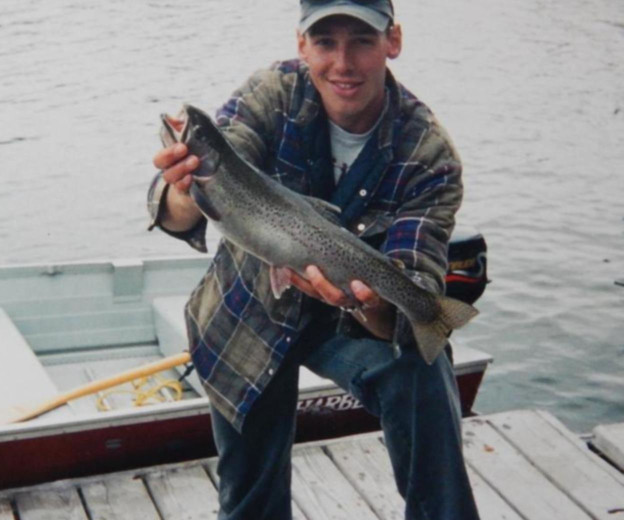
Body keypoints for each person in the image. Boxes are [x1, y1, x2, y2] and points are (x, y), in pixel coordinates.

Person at [147, 1, 480, 518]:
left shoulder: (429, 154)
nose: (342, 63)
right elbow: (174, 216)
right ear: (302, 45)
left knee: (424, 364)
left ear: (393, 41)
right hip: (248, 311)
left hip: (352, 322)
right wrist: (186, 190)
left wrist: (367, 303)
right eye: (326, 42)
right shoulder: (270, 93)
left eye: (362, 41)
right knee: (249, 502)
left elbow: (416, 273)